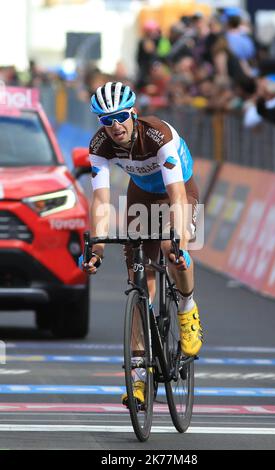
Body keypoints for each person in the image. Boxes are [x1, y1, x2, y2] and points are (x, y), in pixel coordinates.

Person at [82, 81, 203, 406]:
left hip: (178, 190)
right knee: (139, 281)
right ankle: (138, 380)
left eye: (120, 116)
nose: (115, 126)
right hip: (142, 196)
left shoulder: (158, 135)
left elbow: (177, 195)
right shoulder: (99, 146)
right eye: (106, 120)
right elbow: (101, 201)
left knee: (170, 248)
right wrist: (97, 248)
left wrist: (179, 238)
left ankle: (188, 311)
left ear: (132, 112)